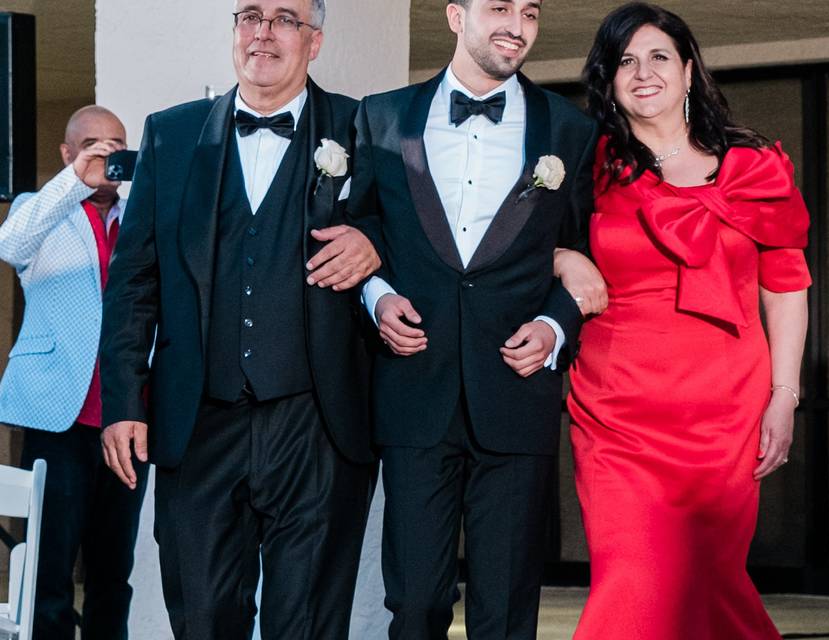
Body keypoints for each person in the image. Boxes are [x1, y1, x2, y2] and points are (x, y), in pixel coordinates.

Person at [97, 1, 381, 637]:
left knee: (306, 623)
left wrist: (375, 242)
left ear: (314, 42)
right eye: (249, 14)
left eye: (284, 18)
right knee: (201, 616)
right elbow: (134, 283)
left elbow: (414, 234)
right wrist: (121, 401)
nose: (263, 31)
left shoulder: (365, 128)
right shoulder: (172, 135)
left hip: (318, 424)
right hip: (198, 422)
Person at [347, 1, 597, 638]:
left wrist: (555, 328)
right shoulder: (381, 117)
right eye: (498, 8)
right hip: (413, 389)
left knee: (507, 609)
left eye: (531, 12)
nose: (516, 24)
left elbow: (586, 253)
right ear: (455, 16)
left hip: (516, 391)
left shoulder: (569, 129)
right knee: (417, 603)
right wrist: (376, 295)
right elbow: (361, 229)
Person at [562, 3, 811, 638]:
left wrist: (785, 396)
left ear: (689, 70)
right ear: (608, 79)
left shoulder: (754, 168)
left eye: (658, 57)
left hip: (725, 411)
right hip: (619, 412)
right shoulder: (587, 169)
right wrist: (563, 256)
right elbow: (521, 241)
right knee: (633, 577)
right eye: (625, 61)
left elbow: (785, 289)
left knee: (708, 580)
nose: (643, 73)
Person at [0, 106, 145, 640]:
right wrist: (73, 182)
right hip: (57, 416)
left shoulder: (140, 215)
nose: (105, 155)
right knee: (49, 569)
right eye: (92, 145)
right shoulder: (41, 210)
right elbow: (8, 244)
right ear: (68, 153)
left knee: (113, 570)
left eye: (116, 145)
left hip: (127, 419)